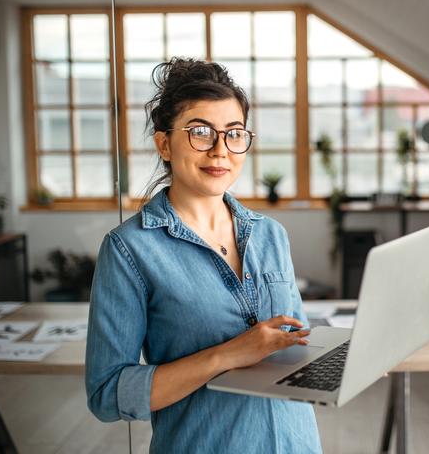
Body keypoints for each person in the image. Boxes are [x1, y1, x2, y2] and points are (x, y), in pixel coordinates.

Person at [85, 58, 322, 453]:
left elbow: (295, 341)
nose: (220, 150)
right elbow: (108, 394)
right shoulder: (129, 250)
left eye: (234, 134)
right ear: (164, 143)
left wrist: (347, 358)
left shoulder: (270, 235)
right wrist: (226, 356)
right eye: (200, 132)